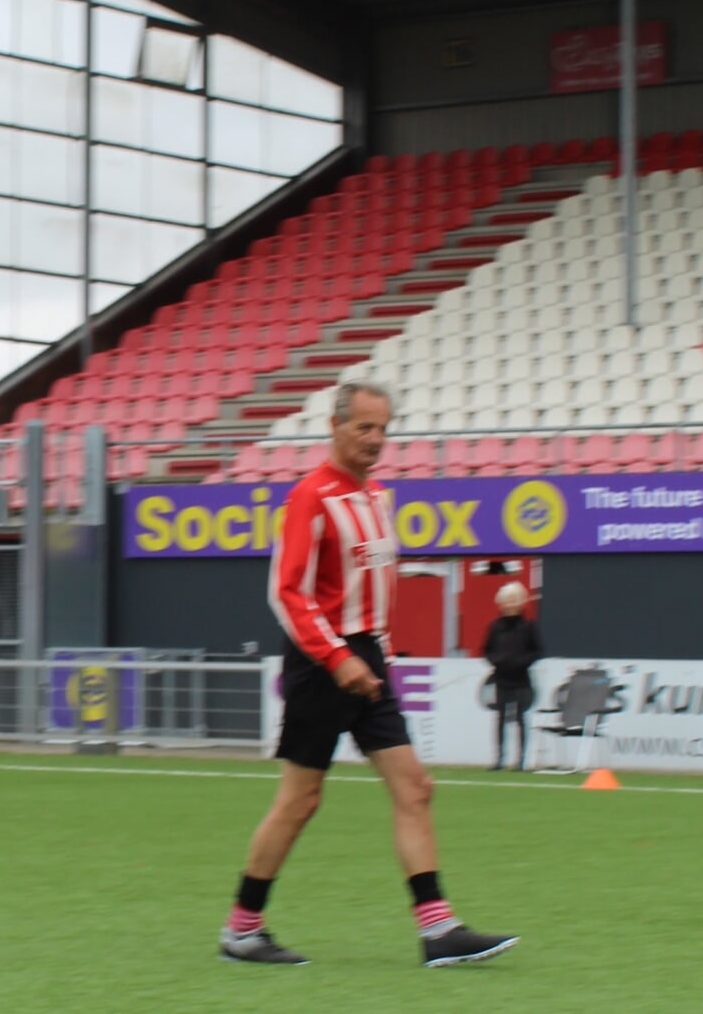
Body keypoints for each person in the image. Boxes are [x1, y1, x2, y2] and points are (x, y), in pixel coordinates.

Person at [219, 381, 518, 969]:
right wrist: (338, 657)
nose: (376, 440)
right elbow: (288, 594)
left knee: (415, 787)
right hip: (322, 664)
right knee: (301, 800)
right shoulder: (310, 498)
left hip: (367, 661)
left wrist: (376, 652)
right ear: (335, 427)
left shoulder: (378, 497)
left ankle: (438, 930)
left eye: (383, 429)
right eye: (364, 428)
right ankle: (241, 930)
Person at [482, 580, 543, 772]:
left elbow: (537, 651)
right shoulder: (495, 626)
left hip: (521, 679)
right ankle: (499, 758)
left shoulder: (528, 626)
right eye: (506, 601)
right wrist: (497, 661)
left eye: (513, 600)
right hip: (501, 678)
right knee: (500, 718)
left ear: (521, 602)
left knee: (519, 718)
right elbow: (486, 650)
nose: (510, 605)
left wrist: (522, 661)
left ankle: (521, 760)